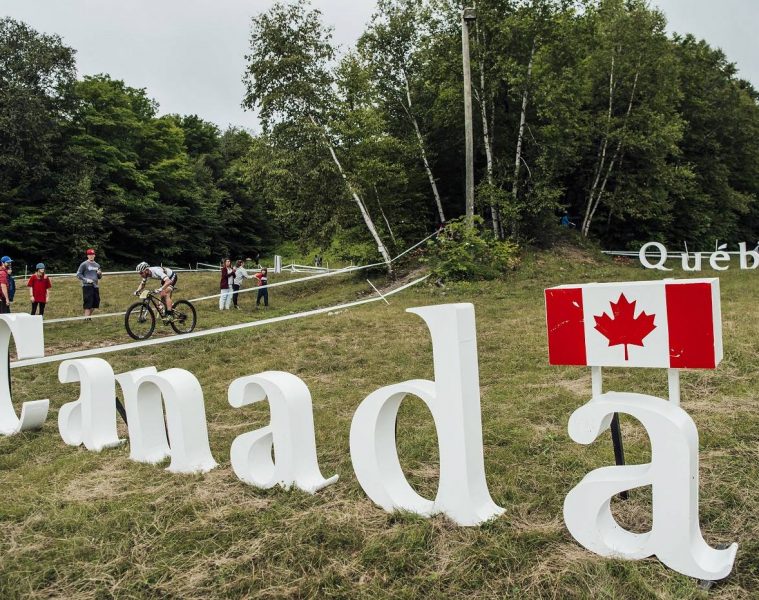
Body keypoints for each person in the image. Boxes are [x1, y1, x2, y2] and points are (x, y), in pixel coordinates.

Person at [76, 248, 102, 320]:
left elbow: (99, 277)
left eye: (92, 254)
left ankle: (88, 317)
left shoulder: (97, 265)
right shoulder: (84, 264)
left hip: (95, 286)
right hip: (87, 286)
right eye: (89, 255)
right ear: (87, 256)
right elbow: (78, 274)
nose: (91, 256)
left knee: (96, 303)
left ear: (94, 255)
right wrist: (86, 280)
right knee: (88, 302)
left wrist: (99, 274)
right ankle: (86, 318)